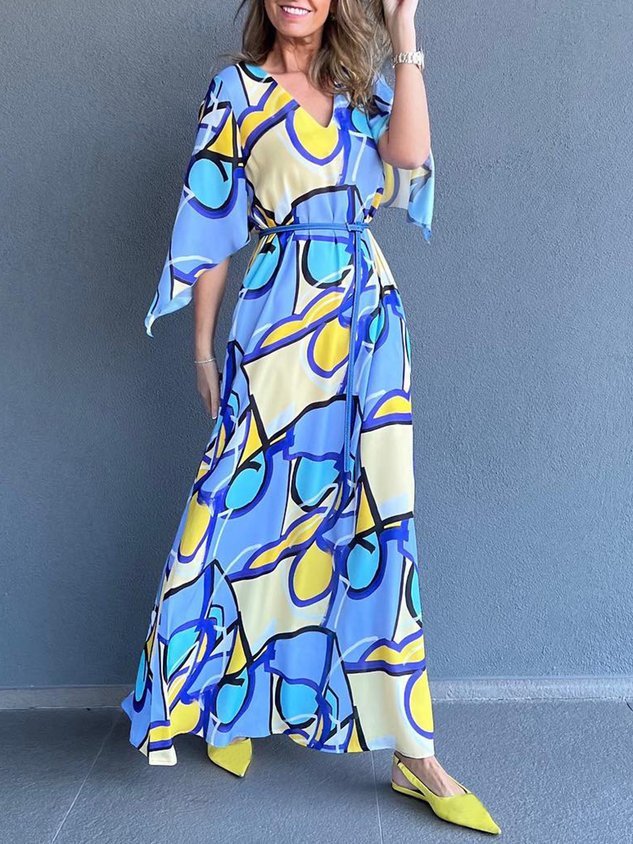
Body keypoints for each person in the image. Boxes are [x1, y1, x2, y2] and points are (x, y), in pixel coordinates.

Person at [121, 0, 500, 835]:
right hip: (276, 319)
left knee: (375, 519)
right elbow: (211, 221)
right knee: (243, 508)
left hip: (366, 321)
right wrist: (201, 349)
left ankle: (412, 752)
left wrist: (404, 32)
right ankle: (226, 699)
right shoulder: (235, 91)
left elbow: (409, 158)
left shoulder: (362, 86)